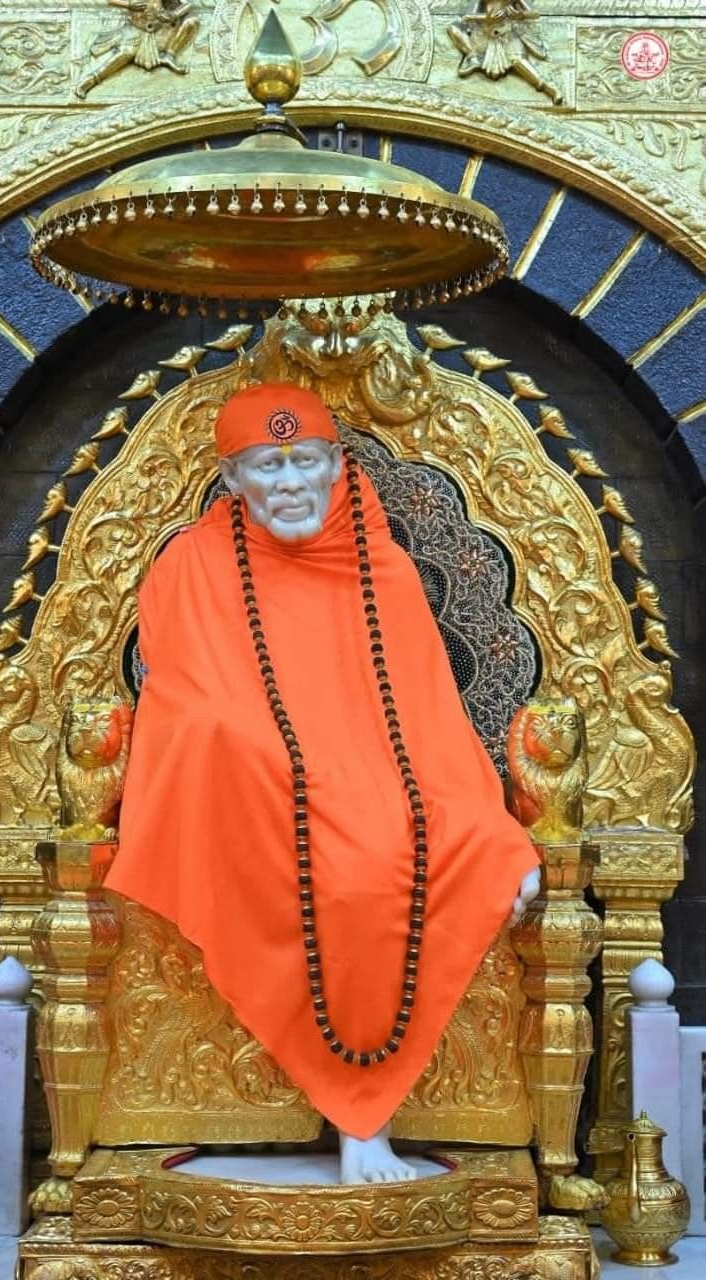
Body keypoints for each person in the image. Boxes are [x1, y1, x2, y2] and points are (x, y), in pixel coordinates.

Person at [107, 382, 541, 1184]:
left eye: (305, 460)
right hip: (250, 790)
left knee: (457, 850)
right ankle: (359, 1120)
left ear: (338, 465)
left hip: (386, 782)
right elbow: (186, 699)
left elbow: (430, 718)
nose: (289, 484)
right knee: (342, 875)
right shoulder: (191, 566)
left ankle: (362, 1112)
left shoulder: (387, 572)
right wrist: (271, 759)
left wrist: (495, 824)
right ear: (231, 480)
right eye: (265, 467)